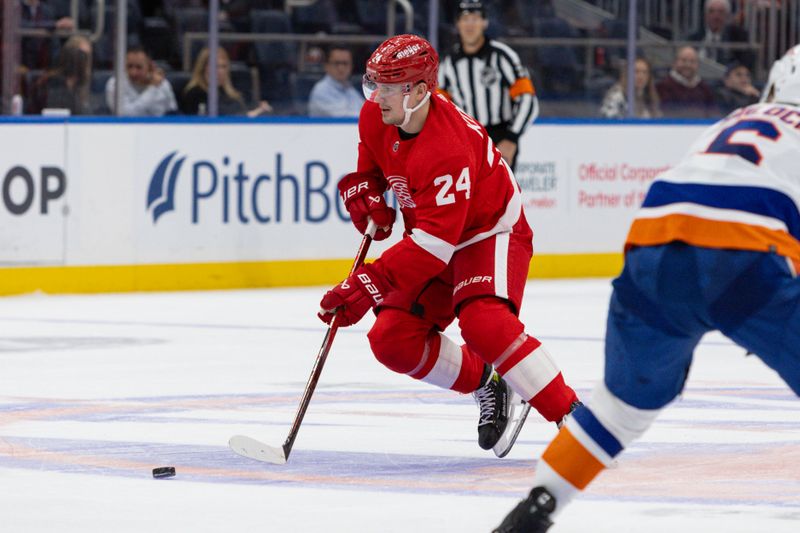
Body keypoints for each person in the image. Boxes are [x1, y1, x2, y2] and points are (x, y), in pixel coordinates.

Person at [493, 47, 800, 532]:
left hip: (652, 250)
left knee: (620, 412)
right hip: (742, 260)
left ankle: (537, 506)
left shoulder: (734, 120)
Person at [317, 34, 580, 458]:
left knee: (483, 323)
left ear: (420, 91)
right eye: (375, 84)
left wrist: (368, 284)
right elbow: (374, 163)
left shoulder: (447, 146)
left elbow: (432, 249)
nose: (376, 97)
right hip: (433, 236)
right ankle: (487, 382)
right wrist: (365, 192)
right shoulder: (375, 115)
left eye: (388, 87)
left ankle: (575, 419)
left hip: (489, 232)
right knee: (391, 340)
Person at [438, 0, 538, 171]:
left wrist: (511, 138)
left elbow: (527, 99)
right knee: (468, 197)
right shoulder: (448, 63)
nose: (470, 24)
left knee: (500, 196)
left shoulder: (503, 56)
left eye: (475, 18)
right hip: (466, 139)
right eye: (465, 18)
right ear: (457, 24)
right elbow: (440, 108)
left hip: (500, 136)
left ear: (485, 23)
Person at [179, 47, 272, 117]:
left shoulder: (233, 96)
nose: (220, 71)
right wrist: (249, 116)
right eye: (216, 66)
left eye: (223, 66)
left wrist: (258, 109)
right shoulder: (194, 94)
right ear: (203, 68)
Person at [28, 34, 92, 114]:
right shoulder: (52, 84)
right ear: (69, 56)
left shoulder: (86, 84)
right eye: (82, 56)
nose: (84, 61)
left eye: (87, 57)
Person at [105, 46, 177, 116]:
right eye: (129, 66)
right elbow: (127, 115)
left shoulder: (163, 84)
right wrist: (153, 88)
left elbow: (172, 112)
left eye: (139, 67)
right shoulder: (115, 84)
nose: (133, 72)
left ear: (150, 66)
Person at [689, 0, 754, 70]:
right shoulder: (694, 38)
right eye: (711, 11)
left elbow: (746, 63)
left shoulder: (738, 36)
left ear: (727, 15)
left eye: (721, 12)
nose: (716, 16)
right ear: (705, 15)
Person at [656, 46, 717, 118]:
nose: (688, 65)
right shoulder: (663, 86)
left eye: (692, 61)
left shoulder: (704, 88)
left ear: (697, 65)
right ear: (675, 62)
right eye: (683, 60)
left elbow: (713, 114)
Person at [308, 45, 364, 117]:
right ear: (326, 65)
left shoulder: (350, 90)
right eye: (337, 63)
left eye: (345, 63)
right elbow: (343, 118)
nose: (341, 68)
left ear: (351, 66)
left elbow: (365, 110)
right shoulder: (320, 90)